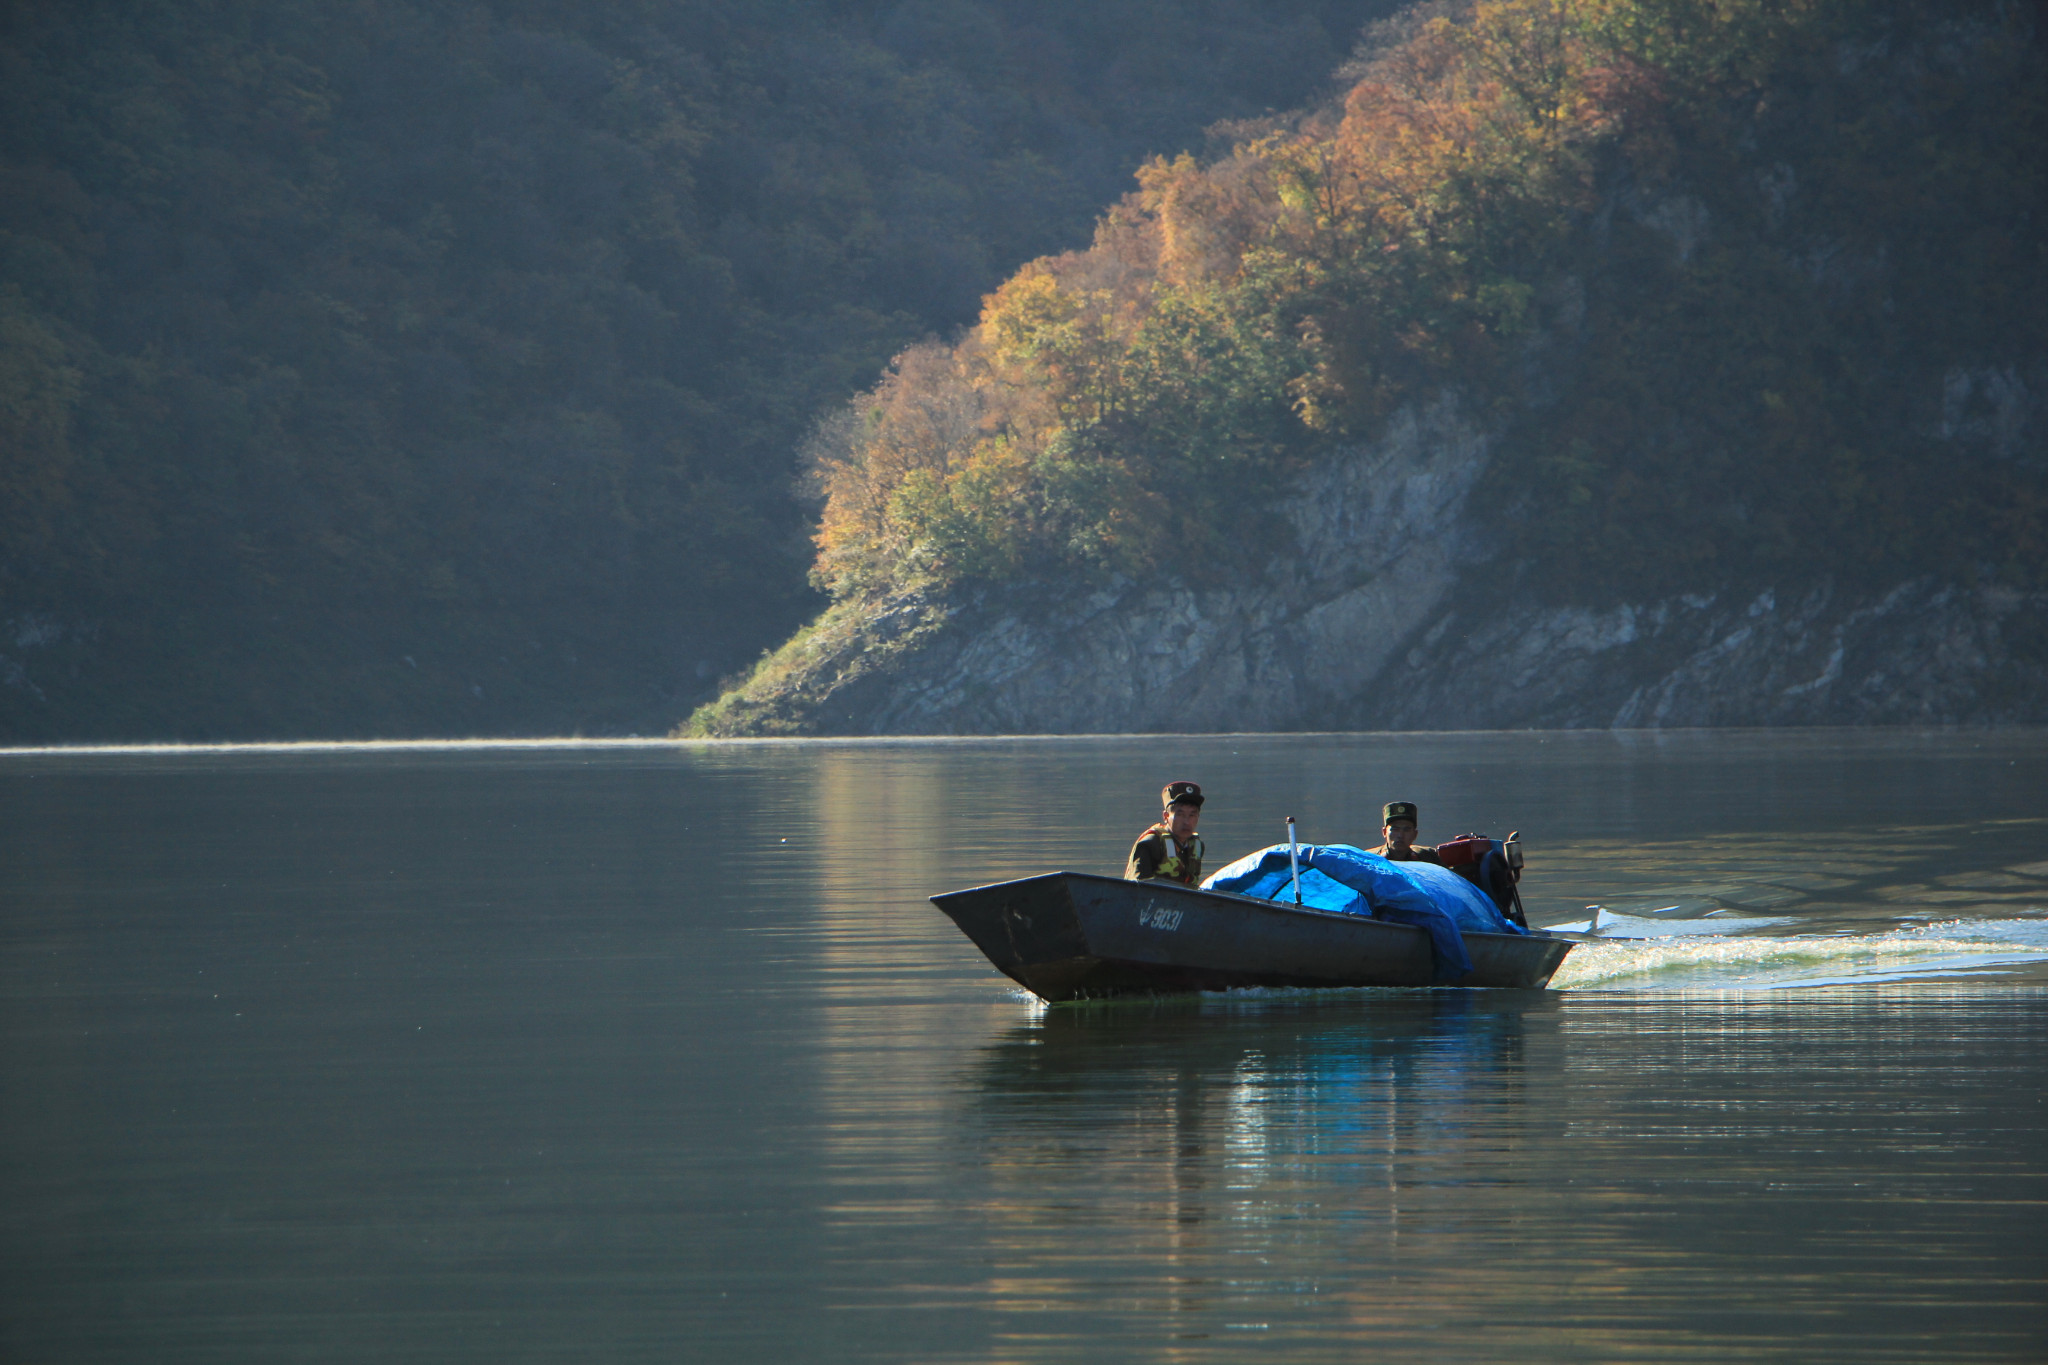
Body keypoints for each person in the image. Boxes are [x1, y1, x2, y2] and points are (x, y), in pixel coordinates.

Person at [1125, 781, 1205, 885]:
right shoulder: (1151, 843)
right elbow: (1136, 889)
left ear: (1198, 817)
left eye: (1192, 815)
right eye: (1180, 815)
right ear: (1166, 816)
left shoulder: (1197, 846)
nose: (1187, 822)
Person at [1371, 801, 1443, 865]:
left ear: (1415, 834)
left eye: (1406, 830)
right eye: (1395, 829)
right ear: (1384, 832)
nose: (1400, 835)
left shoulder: (1428, 857)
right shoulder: (1369, 859)